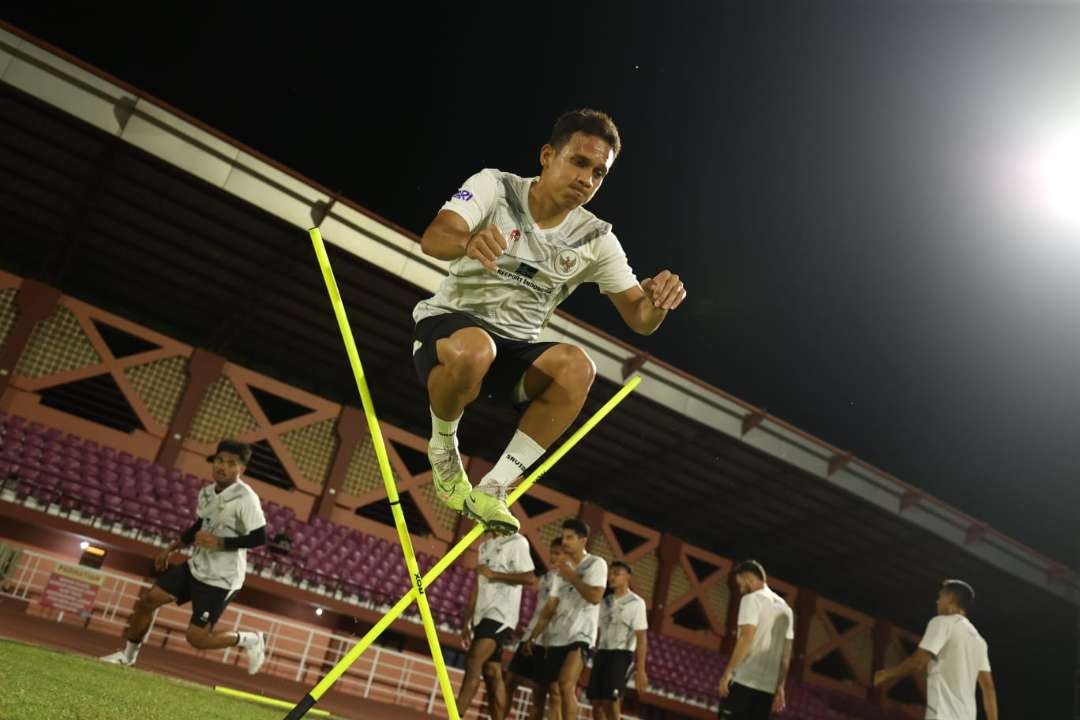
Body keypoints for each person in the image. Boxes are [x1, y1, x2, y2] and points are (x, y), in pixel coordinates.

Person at [414, 108, 688, 536]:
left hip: (514, 354)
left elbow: (640, 318)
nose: (587, 179)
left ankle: (495, 487)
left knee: (579, 366)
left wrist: (657, 301)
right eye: (579, 162)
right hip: (452, 331)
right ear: (547, 156)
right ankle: (444, 449)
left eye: (599, 173)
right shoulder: (495, 187)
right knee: (476, 348)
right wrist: (468, 241)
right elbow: (434, 237)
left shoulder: (596, 238)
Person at [101, 439, 268, 673]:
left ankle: (251, 639)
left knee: (197, 639)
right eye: (219, 460)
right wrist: (172, 548)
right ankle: (127, 657)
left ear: (241, 469)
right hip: (196, 566)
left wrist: (220, 542)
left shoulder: (246, 498)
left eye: (231, 463)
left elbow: (259, 538)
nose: (223, 467)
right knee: (149, 601)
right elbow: (200, 524)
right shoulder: (207, 492)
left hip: (221, 578)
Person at [520, 519, 607, 720]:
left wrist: (573, 576)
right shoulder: (562, 570)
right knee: (551, 689)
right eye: (564, 536)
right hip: (558, 636)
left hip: (581, 634)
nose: (565, 541)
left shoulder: (596, 564)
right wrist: (533, 637)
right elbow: (550, 607)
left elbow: (595, 597)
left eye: (570, 537)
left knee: (566, 684)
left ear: (583, 540)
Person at [873, 580, 997, 720]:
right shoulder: (979, 640)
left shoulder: (941, 622)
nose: (937, 601)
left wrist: (886, 674)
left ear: (950, 598)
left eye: (940, 597)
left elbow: (918, 662)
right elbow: (988, 688)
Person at [457, 531, 536, 720]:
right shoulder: (485, 546)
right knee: (492, 673)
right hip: (482, 615)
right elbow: (479, 583)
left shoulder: (517, 541)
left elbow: (529, 578)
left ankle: (456, 714)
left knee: (474, 661)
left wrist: (495, 575)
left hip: (501, 614)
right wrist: (467, 620)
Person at [718, 560, 794, 720]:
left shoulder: (752, 599)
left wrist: (728, 672)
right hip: (767, 690)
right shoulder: (787, 609)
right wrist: (780, 686)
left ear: (748, 579)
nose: (740, 589)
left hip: (743, 682)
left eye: (741, 584)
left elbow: (747, 637)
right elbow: (786, 656)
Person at [504, 538, 567, 720]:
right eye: (552, 552)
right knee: (511, 681)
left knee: (543, 693)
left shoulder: (570, 581)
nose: (552, 556)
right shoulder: (546, 578)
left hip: (550, 642)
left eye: (557, 553)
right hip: (530, 637)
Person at [587, 560, 649, 720]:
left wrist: (641, 670)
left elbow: (641, 638)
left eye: (616, 574)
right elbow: (599, 630)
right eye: (610, 573)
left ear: (628, 577)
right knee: (596, 703)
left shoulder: (637, 603)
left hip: (621, 655)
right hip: (601, 654)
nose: (611, 577)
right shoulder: (605, 601)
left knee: (611, 702)